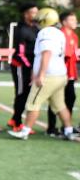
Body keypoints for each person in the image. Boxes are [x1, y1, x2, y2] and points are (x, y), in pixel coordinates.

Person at [8, 8, 77, 140]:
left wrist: (41, 74)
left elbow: (46, 53)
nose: (36, 22)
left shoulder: (46, 32)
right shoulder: (59, 32)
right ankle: (68, 130)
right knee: (60, 105)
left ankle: (25, 131)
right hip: (60, 74)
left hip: (49, 75)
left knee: (33, 103)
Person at [9, 3, 39, 131]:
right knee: (21, 94)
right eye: (33, 12)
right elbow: (20, 53)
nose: (36, 15)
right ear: (26, 14)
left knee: (27, 94)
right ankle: (17, 122)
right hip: (21, 66)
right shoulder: (21, 30)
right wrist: (30, 66)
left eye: (37, 12)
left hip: (31, 67)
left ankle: (14, 119)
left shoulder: (37, 29)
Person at [47, 10, 77, 136]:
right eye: (72, 19)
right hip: (59, 73)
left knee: (70, 98)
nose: (75, 22)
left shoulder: (74, 36)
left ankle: (66, 126)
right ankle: (52, 128)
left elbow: (73, 55)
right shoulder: (60, 34)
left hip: (69, 73)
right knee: (56, 100)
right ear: (64, 22)